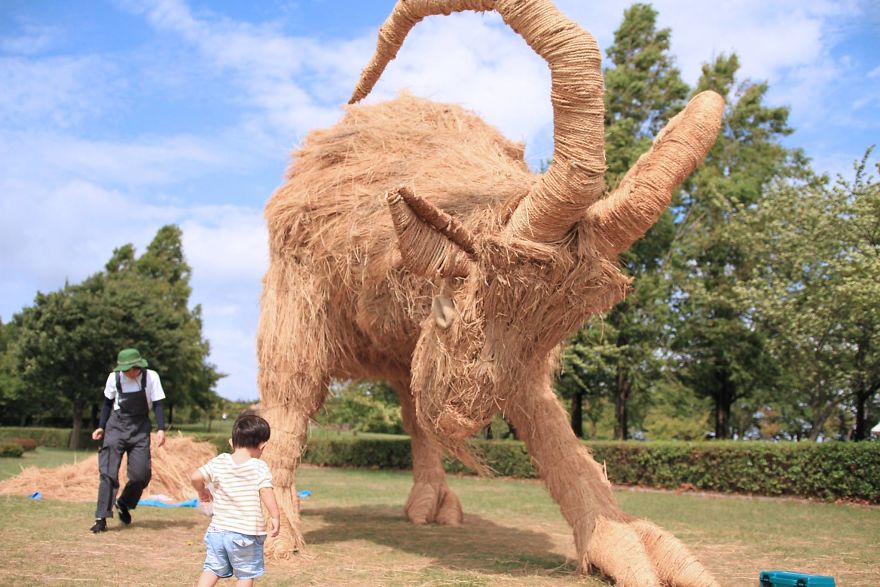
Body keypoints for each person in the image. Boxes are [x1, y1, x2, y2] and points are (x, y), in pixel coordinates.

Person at [191, 413, 280, 586]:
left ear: (231, 442)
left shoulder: (220, 462)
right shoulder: (259, 467)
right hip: (245, 534)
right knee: (245, 575)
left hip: (217, 532)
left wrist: (202, 491)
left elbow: (195, 476)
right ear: (263, 445)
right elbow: (266, 492)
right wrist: (275, 516)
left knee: (212, 569)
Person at [90, 348, 167, 533]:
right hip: (116, 427)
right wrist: (101, 426)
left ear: (137, 366)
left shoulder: (151, 377)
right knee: (108, 472)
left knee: (141, 474)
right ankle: (101, 518)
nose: (125, 373)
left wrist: (161, 428)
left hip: (140, 429)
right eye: (122, 369)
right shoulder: (114, 378)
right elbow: (107, 403)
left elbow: (157, 404)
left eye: (128, 369)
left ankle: (124, 502)